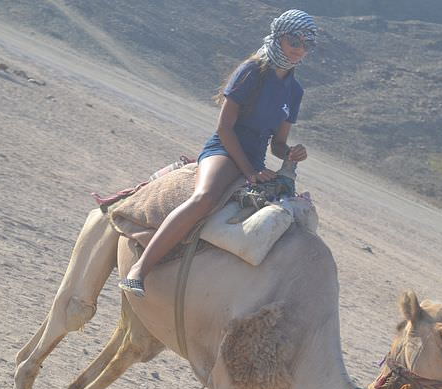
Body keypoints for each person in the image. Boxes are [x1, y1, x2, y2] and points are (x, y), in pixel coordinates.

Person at [120, 9, 317, 296]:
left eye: (307, 44)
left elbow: (277, 143)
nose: (300, 50)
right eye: (294, 41)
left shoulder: (295, 91)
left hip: (256, 159)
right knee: (204, 198)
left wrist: (290, 152)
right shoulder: (252, 72)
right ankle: (139, 270)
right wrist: (249, 172)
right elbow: (225, 127)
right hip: (224, 150)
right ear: (279, 37)